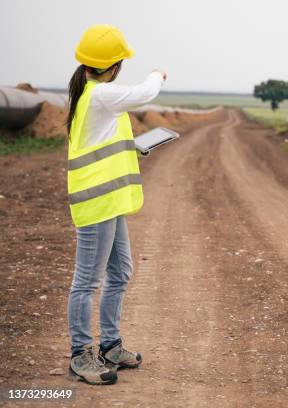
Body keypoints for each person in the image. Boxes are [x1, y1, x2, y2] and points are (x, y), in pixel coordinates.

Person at [65, 24, 166, 385]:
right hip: (96, 204)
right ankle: (80, 355)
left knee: (120, 272)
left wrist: (135, 147)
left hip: (108, 202)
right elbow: (144, 93)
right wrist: (157, 74)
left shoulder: (92, 96)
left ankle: (109, 346)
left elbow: (103, 141)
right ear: (114, 65)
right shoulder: (98, 95)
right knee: (87, 281)